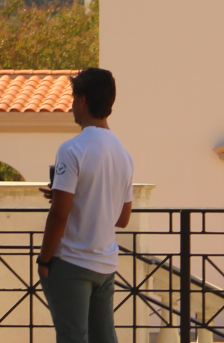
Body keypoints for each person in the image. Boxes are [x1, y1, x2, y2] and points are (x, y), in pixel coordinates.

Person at [35, 68, 133, 343]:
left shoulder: (72, 148)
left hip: (71, 262)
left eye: (73, 98)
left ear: (82, 101)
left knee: (72, 337)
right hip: (105, 263)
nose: (71, 107)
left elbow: (59, 215)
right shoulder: (124, 155)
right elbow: (122, 218)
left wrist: (44, 260)